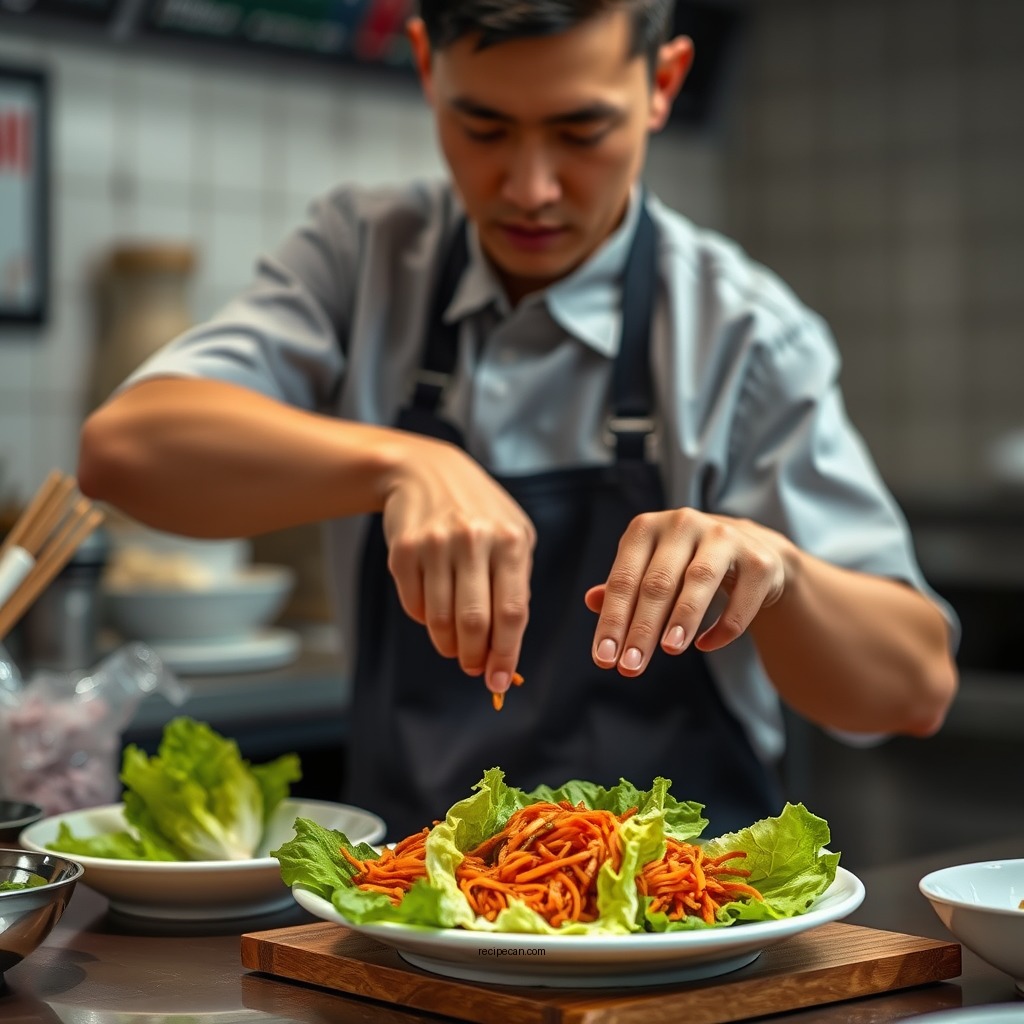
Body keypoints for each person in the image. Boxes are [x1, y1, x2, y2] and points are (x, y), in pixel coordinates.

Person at [77, 0, 959, 839]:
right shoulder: (362, 257)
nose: (530, 187)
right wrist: (404, 464)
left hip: (682, 927)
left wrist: (786, 573)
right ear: (426, 67)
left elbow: (913, 688)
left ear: (663, 81)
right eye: (484, 127)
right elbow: (123, 451)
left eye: (582, 131)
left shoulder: (745, 334)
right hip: (411, 908)